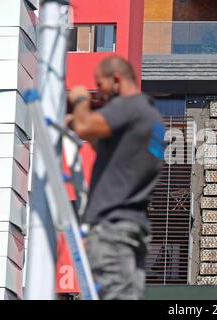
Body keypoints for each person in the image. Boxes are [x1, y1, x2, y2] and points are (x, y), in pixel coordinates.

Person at [66, 55, 165, 300]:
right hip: (133, 229)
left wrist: (80, 100)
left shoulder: (129, 106)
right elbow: (114, 151)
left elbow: (85, 127)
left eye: (101, 85)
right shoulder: (153, 120)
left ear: (117, 80)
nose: (99, 94)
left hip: (111, 230)